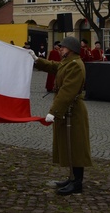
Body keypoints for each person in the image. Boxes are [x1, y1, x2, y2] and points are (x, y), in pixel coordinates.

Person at [31, 36, 92, 196]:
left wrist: (53, 111)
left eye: (63, 47)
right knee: (68, 144)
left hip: (73, 111)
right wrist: (38, 60)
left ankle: (77, 182)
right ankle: (71, 177)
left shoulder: (76, 65)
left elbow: (67, 92)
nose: (61, 49)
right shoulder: (68, 63)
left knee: (76, 146)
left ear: (71, 49)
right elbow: (55, 67)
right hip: (67, 111)